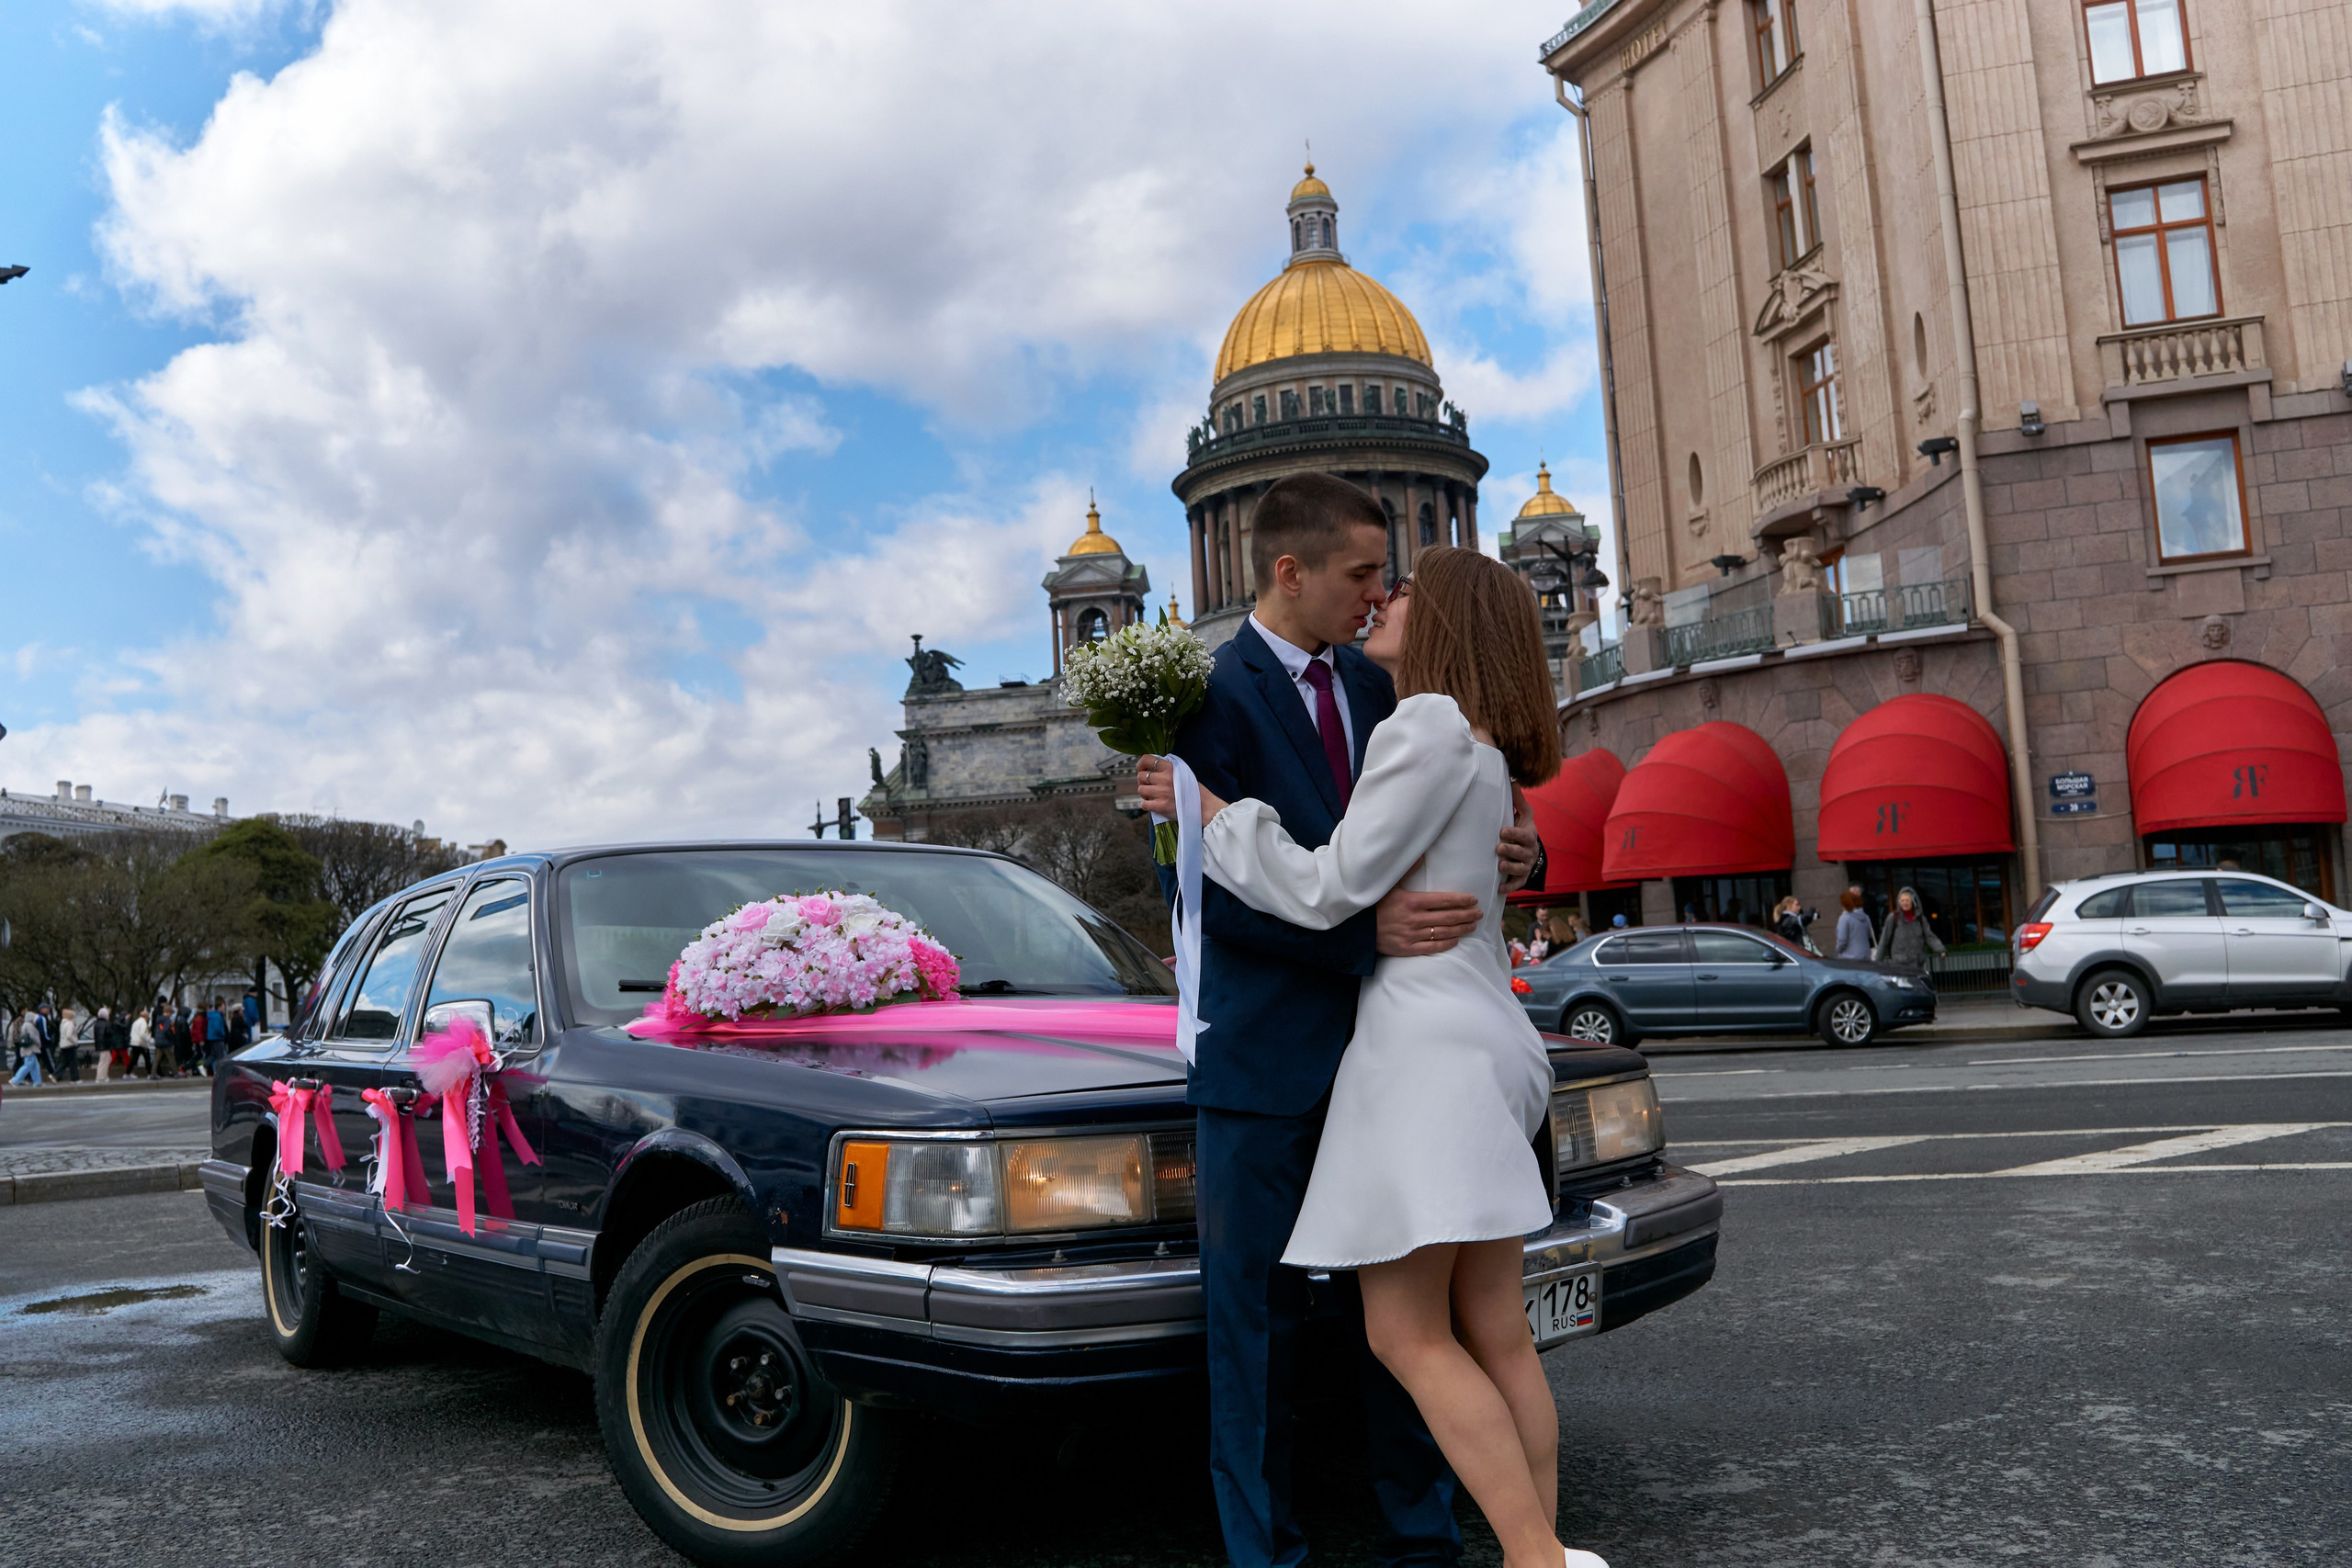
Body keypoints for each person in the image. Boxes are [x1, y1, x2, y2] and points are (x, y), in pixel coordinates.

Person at [1144, 543, 1601, 1568]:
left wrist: (1215, 819)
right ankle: (1543, 1549)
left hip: (1423, 1051)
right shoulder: (1483, 745)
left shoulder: (1423, 720)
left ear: (1444, 621)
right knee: (1495, 1327)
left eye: (1405, 590)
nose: (1384, 599)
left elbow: (1325, 889)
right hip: (1489, 1039)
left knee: (1405, 1334)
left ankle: (1536, 1557)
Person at [1873, 886, 1947, 970]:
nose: (1905, 903)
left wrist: (1940, 949)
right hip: (1899, 965)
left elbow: (1930, 936)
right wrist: (1877, 962)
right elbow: (1884, 940)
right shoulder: (1893, 918)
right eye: (1902, 900)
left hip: (1917, 965)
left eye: (1907, 900)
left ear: (1913, 902)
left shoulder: (1920, 919)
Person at [1835, 888, 1874, 960]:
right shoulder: (1865, 917)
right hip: (1866, 955)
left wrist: (1838, 950)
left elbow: (1842, 940)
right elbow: (1869, 935)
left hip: (1850, 958)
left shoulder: (1844, 918)